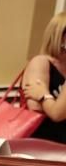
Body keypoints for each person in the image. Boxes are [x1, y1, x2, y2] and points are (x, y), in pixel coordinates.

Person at [22, 11, 66, 144]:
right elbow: (35, 110)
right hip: (43, 142)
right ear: (60, 36)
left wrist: (43, 95)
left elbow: (57, 113)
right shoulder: (41, 62)